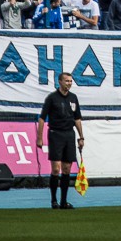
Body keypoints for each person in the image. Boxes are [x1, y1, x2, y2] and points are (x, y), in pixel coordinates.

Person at [36, 72, 84, 210]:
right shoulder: (52, 98)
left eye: (70, 81)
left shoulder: (73, 98)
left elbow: (77, 119)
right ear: (60, 82)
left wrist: (81, 137)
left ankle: (64, 201)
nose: (69, 83)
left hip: (69, 135)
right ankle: (53, 201)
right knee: (56, 169)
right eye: (66, 81)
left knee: (67, 169)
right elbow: (42, 118)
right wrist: (39, 137)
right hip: (55, 134)